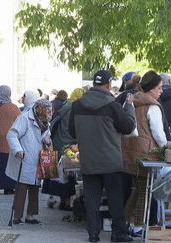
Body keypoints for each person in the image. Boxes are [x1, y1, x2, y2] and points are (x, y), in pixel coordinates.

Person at [69, 70, 136, 242]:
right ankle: (118, 233)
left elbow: (71, 131)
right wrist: (129, 108)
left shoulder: (77, 105)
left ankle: (93, 233)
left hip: (88, 160)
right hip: (111, 161)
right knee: (115, 198)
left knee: (91, 199)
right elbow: (128, 127)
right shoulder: (112, 105)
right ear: (108, 85)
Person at [121, 70, 170, 229]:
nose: (161, 91)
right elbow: (158, 134)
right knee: (144, 192)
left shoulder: (131, 102)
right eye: (159, 88)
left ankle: (123, 222)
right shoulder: (152, 106)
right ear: (150, 89)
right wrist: (168, 149)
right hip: (146, 154)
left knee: (138, 189)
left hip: (130, 150)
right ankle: (138, 226)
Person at [6, 99, 53, 225]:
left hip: (37, 158)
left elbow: (45, 136)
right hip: (25, 157)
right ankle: (17, 217)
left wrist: (48, 142)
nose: (49, 115)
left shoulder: (45, 121)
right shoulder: (25, 118)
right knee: (22, 188)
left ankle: (30, 216)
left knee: (34, 187)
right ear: (40, 110)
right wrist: (18, 149)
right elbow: (11, 135)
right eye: (47, 113)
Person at [42, 88, 84, 211]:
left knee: (60, 173)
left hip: (58, 141)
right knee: (67, 175)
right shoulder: (75, 108)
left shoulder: (66, 107)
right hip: (67, 143)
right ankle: (65, 202)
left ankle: (57, 199)